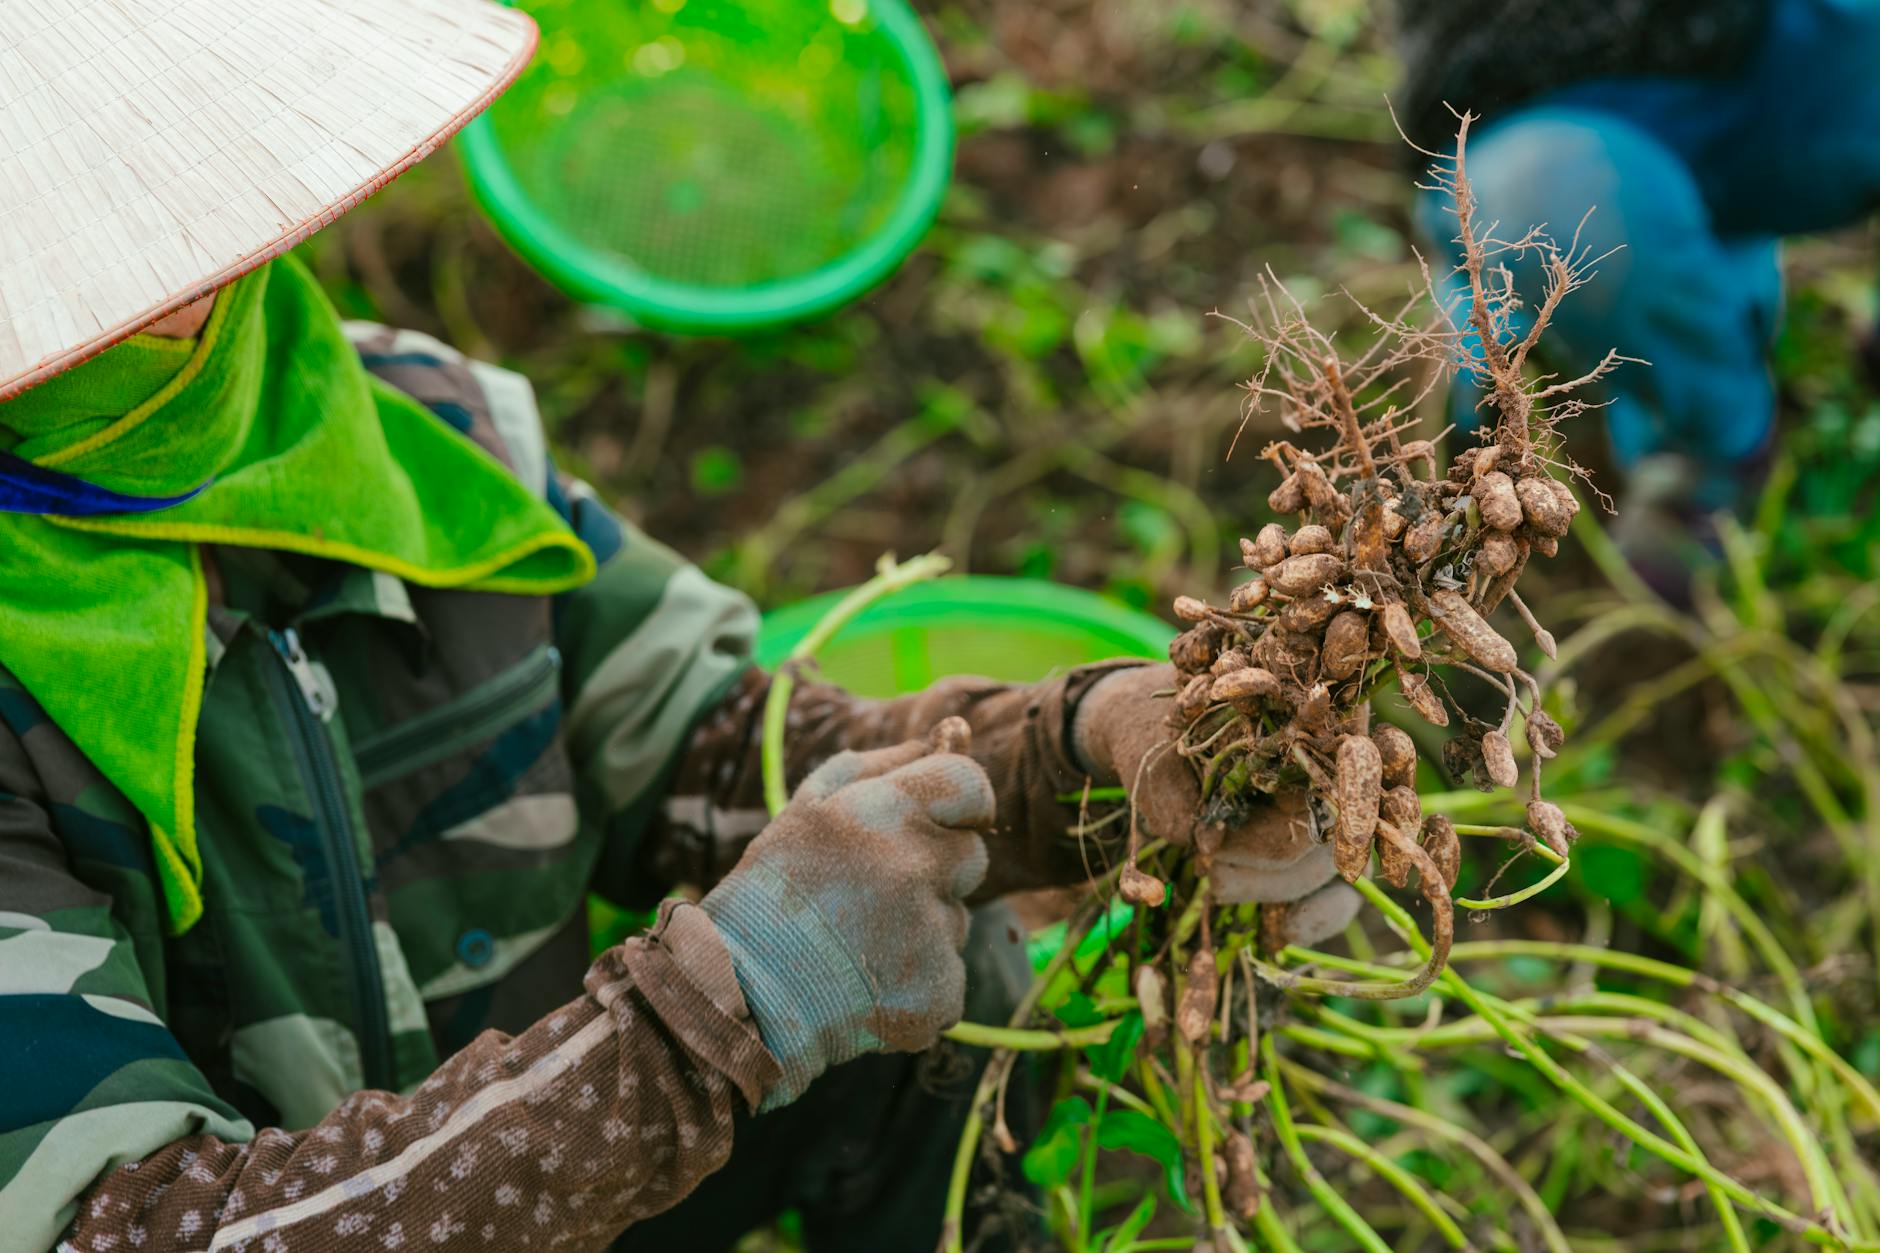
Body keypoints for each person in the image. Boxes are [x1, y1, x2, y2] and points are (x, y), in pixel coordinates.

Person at [0, 2, 1358, 1250]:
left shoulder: (410, 428)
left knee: (944, 976)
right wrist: (703, 1028)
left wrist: (1065, 757)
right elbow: (126, 1225)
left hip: (564, 1168)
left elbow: (715, 746)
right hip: (491, 1176)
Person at [1395, 0, 1880, 530]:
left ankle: (1705, 455)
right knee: (1552, 209)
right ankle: (1487, 391)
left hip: (1764, 94)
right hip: (1537, 132)